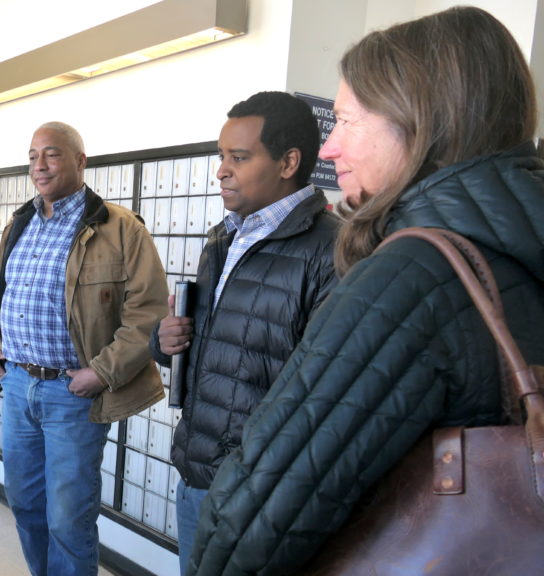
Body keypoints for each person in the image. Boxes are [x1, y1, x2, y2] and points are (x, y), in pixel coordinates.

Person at [188, 7, 544, 575]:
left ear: (418, 119)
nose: (330, 150)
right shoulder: (515, 249)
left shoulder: (414, 275)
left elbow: (250, 526)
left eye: (346, 122)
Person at [150, 91, 340, 573]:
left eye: (238, 157)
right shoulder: (225, 237)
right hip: (198, 473)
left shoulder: (331, 251)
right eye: (222, 157)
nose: (221, 171)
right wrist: (165, 341)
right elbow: (218, 346)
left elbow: (323, 393)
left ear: (288, 162)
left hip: (262, 494)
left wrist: (257, 478)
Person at [0, 121, 168, 575]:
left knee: (68, 518)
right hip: (17, 384)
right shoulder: (18, 224)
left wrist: (102, 372)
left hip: (72, 394)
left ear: (81, 161)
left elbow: (149, 311)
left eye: (52, 154)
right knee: (25, 504)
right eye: (33, 156)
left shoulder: (120, 228)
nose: (39, 166)